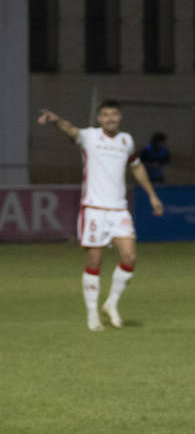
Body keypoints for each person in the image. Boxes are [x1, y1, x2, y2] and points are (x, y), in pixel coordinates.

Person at [38, 101, 164, 331]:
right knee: (94, 261)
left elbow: (136, 166)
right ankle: (92, 314)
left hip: (119, 209)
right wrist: (56, 121)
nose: (110, 118)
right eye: (105, 115)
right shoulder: (90, 137)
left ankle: (111, 303)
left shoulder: (126, 140)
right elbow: (71, 129)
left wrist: (152, 195)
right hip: (94, 209)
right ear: (99, 118)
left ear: (120, 117)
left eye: (114, 114)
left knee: (129, 258)